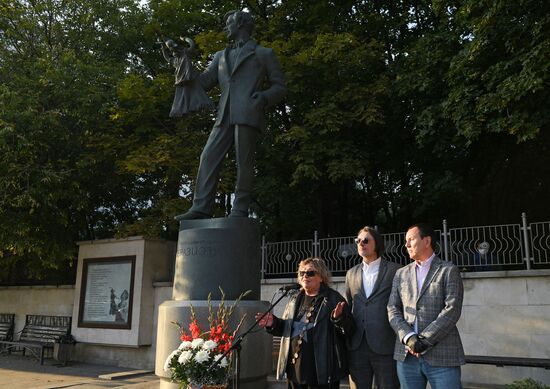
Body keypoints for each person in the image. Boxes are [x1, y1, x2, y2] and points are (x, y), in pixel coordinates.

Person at [177, 10, 287, 219]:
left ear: (241, 24)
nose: (226, 27)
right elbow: (202, 83)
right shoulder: (220, 56)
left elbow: (280, 87)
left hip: (247, 112)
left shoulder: (263, 53)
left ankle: (240, 208)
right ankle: (201, 208)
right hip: (223, 115)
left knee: (244, 163)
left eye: (229, 23)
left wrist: (263, 98)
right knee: (208, 157)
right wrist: (183, 62)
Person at [255, 257, 354, 389]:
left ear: (321, 277)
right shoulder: (294, 299)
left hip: (322, 372)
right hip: (295, 370)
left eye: (310, 273)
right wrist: (273, 323)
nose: (305, 276)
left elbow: (349, 330)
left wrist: (339, 319)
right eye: (302, 273)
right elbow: (287, 328)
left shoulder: (334, 299)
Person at [387, 223, 465, 389]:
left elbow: (452, 310)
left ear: (427, 241)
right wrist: (409, 338)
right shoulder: (401, 273)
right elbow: (392, 308)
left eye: (411, 239)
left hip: (443, 356)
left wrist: (424, 340)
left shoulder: (448, 270)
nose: (406, 244)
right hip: (406, 357)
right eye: (405, 240)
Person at [344, 226, 400, 389]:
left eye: (366, 240)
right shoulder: (351, 273)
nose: (361, 243)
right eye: (358, 240)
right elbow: (350, 304)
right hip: (357, 346)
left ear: (377, 244)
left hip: (385, 344)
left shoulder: (395, 270)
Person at [160, 37, 213, 117]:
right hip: (182, 81)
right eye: (171, 49)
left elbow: (192, 45)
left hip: (190, 78)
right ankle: (186, 109)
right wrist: (163, 49)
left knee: (196, 92)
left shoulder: (185, 53)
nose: (173, 50)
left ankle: (201, 106)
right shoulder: (175, 61)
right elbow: (168, 58)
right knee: (184, 97)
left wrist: (185, 39)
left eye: (173, 47)